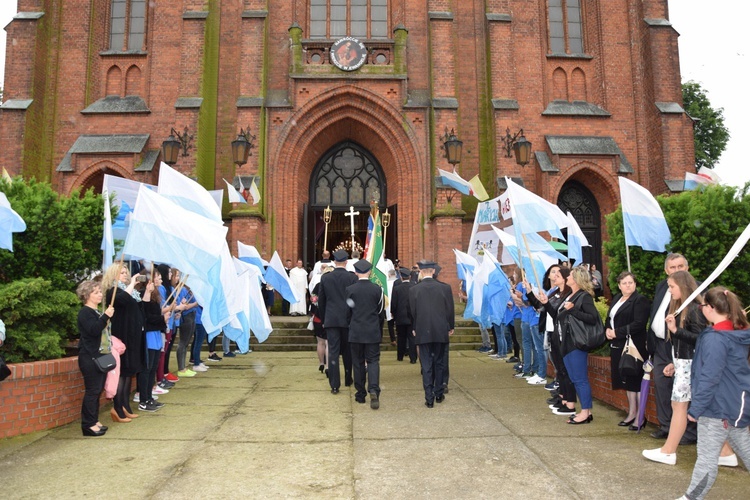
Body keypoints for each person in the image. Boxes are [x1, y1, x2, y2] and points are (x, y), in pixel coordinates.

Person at [678, 286, 750, 500]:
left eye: (703, 305)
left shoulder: (717, 338)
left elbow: (710, 376)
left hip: (717, 408)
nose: (701, 309)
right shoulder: (729, 332)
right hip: (730, 405)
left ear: (710, 308)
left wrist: (697, 408)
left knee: (707, 459)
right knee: (745, 450)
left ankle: (692, 497)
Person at [643, 270, 706, 464]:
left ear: (683, 286)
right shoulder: (685, 308)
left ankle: (669, 451)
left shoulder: (694, 309)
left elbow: (701, 340)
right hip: (683, 364)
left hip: (690, 365)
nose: (669, 291)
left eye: (672, 287)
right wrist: (674, 363)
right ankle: (725, 453)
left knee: (679, 406)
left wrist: (675, 330)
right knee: (692, 408)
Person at [647, 253, 698, 444]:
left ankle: (689, 433)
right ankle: (667, 427)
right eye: (672, 268)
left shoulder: (695, 289)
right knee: (662, 387)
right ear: (666, 271)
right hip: (660, 345)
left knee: (685, 391)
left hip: (681, 345)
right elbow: (655, 313)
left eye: (680, 267)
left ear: (687, 268)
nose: (676, 270)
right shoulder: (662, 287)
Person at [540, 266, 598, 424]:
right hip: (565, 342)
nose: (567, 278)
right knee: (574, 377)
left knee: (580, 379)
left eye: (571, 275)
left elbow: (592, 318)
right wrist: (547, 304)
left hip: (576, 344)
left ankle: (585, 412)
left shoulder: (583, 297)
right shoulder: (571, 296)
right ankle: (585, 410)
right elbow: (558, 316)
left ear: (577, 279)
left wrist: (574, 311)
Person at [604, 271, 651, 429]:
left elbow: (639, 323)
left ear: (635, 284)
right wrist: (608, 330)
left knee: (635, 380)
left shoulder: (640, 300)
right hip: (618, 345)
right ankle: (631, 413)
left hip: (634, 346)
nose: (627, 285)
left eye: (630, 282)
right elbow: (610, 318)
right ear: (619, 285)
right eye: (624, 283)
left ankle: (640, 416)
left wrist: (617, 332)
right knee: (627, 381)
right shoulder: (617, 298)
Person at [103, 263, 145, 423]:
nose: (126, 275)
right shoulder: (113, 292)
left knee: (129, 373)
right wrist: (132, 284)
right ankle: (117, 407)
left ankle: (125, 406)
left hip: (133, 337)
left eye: (126, 272)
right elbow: (121, 300)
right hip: (122, 337)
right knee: (121, 373)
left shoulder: (131, 292)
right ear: (113, 275)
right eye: (122, 273)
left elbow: (138, 307)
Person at [409, 260, 454, 408]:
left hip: (423, 330)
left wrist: (415, 327)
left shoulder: (414, 290)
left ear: (421, 272)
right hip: (440, 329)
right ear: (433, 271)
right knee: (439, 362)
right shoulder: (445, 288)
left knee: (427, 364)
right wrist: (450, 326)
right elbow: (449, 310)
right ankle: (439, 393)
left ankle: (429, 397)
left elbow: (413, 312)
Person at [76, 280, 114, 436]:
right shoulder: (85, 312)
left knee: (97, 390)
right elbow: (93, 330)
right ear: (86, 295)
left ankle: (94, 420)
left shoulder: (96, 312)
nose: (100, 295)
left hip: (99, 355)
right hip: (89, 357)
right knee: (92, 391)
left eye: (100, 292)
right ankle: (87, 424)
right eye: (96, 292)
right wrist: (106, 316)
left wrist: (105, 316)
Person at [346, 260, 385, 409]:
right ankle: (374, 389)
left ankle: (360, 393)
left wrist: (352, 323)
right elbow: (380, 312)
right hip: (372, 330)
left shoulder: (350, 290)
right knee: (373, 361)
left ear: (356, 272)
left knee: (358, 362)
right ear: (369, 272)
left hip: (356, 330)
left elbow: (347, 312)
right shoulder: (377, 289)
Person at [318, 249, 357, 394]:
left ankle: (334, 385)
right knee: (348, 350)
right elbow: (355, 300)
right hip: (348, 319)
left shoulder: (326, 278)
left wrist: (324, 318)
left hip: (332, 319)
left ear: (334, 262)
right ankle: (348, 377)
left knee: (333, 352)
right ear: (346, 262)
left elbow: (321, 302)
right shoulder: (352, 278)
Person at [136, 273, 168, 412]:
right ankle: (143, 400)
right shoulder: (143, 294)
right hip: (148, 334)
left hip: (155, 333)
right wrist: (162, 319)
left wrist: (163, 318)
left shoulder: (155, 294)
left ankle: (149, 397)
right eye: (156, 277)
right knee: (146, 368)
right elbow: (145, 316)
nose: (158, 280)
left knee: (153, 367)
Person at [310, 265, 333, 374]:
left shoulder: (318, 285)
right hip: (329, 316)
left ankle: (321, 364)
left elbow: (313, 299)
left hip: (318, 317)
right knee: (329, 343)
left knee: (320, 342)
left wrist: (316, 306)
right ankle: (328, 365)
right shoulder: (333, 286)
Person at [391, 267, 416, 363]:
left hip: (400, 316)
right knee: (411, 337)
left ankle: (400, 356)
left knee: (401, 337)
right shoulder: (414, 287)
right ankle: (413, 358)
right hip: (411, 317)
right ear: (409, 277)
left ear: (401, 277)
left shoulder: (397, 288)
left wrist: (393, 313)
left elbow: (394, 303)